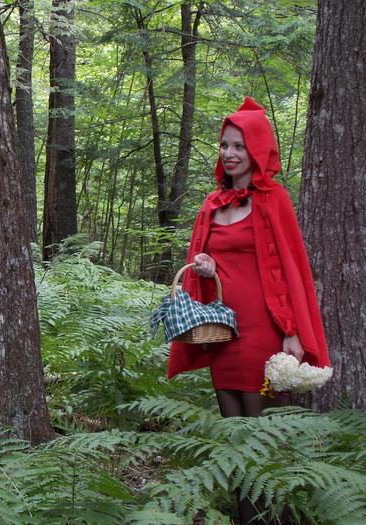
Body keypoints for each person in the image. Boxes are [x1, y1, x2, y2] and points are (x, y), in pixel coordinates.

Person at [167, 97, 331, 524]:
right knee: (233, 436)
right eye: (224, 145)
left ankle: (265, 517)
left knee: (260, 437)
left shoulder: (273, 200)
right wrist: (204, 267)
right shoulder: (212, 203)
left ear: (256, 150)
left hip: (264, 333)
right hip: (224, 333)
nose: (230, 153)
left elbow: (291, 270)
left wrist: (293, 332)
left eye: (239, 145)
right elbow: (203, 264)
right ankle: (247, 516)